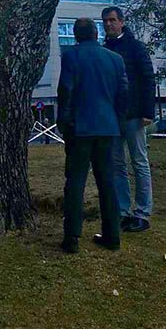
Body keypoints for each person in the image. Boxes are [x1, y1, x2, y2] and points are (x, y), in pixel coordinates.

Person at [57, 18, 128, 252]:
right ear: (96, 34)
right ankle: (112, 234)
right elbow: (123, 96)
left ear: (76, 35)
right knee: (107, 182)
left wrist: (64, 122)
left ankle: (72, 237)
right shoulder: (115, 60)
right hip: (107, 128)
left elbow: (66, 90)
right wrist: (116, 123)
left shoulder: (71, 57)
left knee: (76, 181)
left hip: (80, 128)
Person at [102, 6, 156, 233]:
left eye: (112, 20)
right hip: (113, 117)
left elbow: (147, 78)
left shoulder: (135, 47)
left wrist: (148, 112)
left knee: (139, 162)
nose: (108, 24)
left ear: (122, 22)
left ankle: (142, 213)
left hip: (134, 115)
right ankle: (123, 211)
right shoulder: (105, 49)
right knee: (117, 166)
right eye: (105, 21)